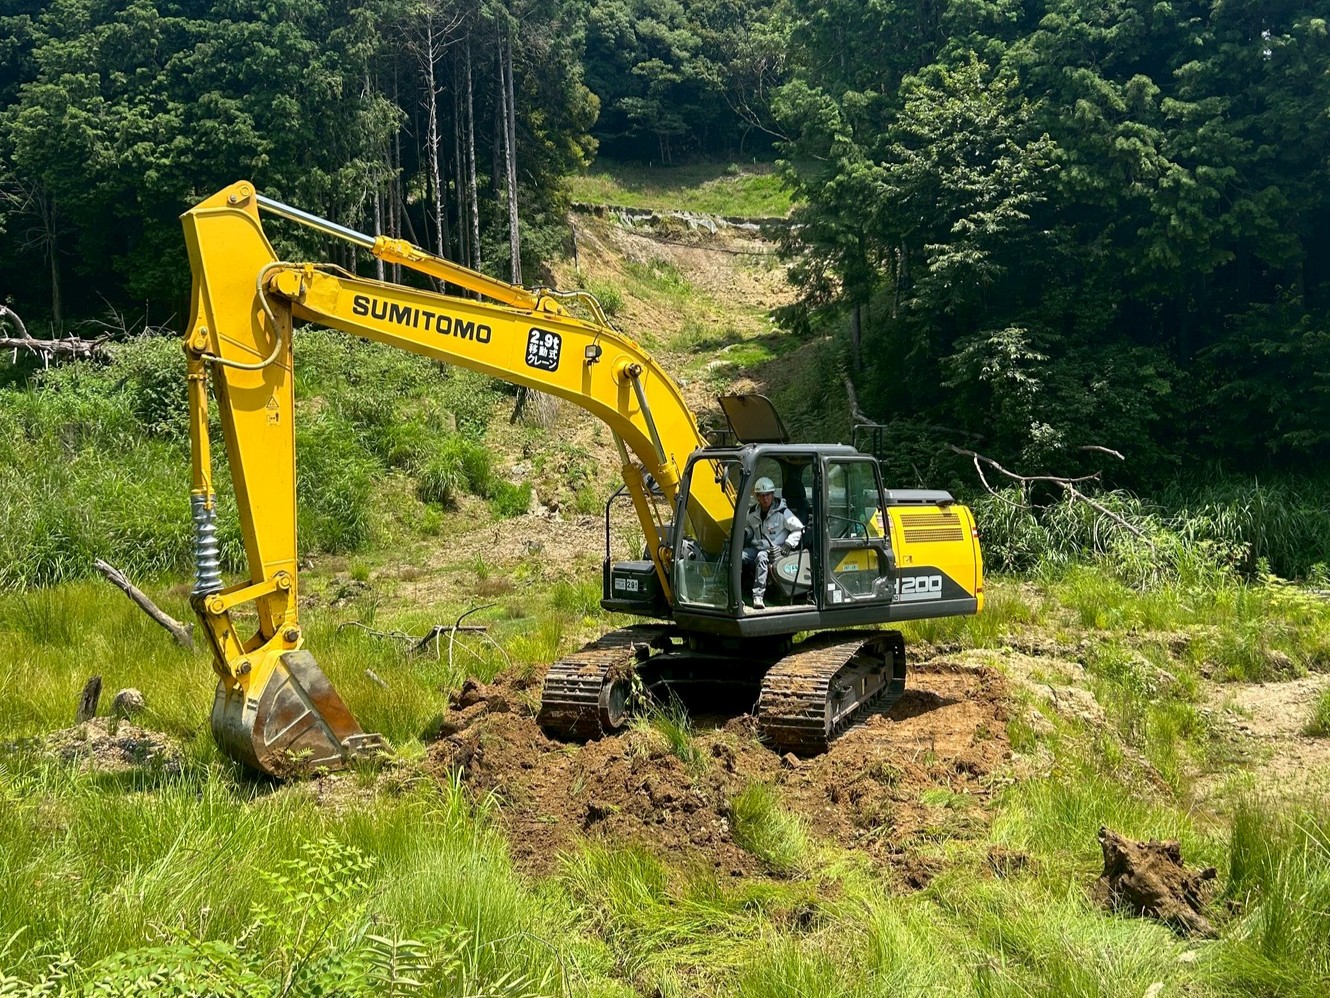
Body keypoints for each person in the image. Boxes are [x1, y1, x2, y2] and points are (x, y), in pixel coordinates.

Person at [742, 476, 803, 609]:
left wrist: (789, 543)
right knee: (739, 557)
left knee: (761, 557)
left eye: (768, 495)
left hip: (775, 550)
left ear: (773, 494)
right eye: (762, 495)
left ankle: (758, 596)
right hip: (757, 546)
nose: (765, 498)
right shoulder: (752, 513)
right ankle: (738, 593)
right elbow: (748, 526)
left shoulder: (783, 512)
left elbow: (798, 529)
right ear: (757, 496)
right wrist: (746, 533)